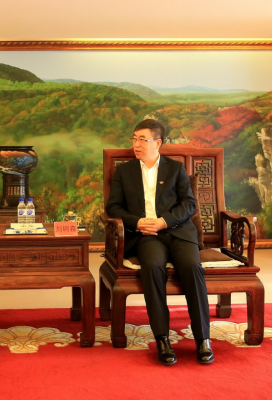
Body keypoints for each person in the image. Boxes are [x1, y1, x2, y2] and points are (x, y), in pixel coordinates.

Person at [106, 119, 214, 366]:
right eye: (134, 139)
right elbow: (113, 206)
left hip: (178, 232)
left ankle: (203, 339)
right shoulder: (124, 171)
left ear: (157, 143)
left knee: (192, 267)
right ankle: (162, 339)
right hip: (146, 235)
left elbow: (189, 204)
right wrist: (138, 222)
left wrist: (164, 221)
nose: (136, 144)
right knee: (152, 267)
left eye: (142, 140)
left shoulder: (175, 168)